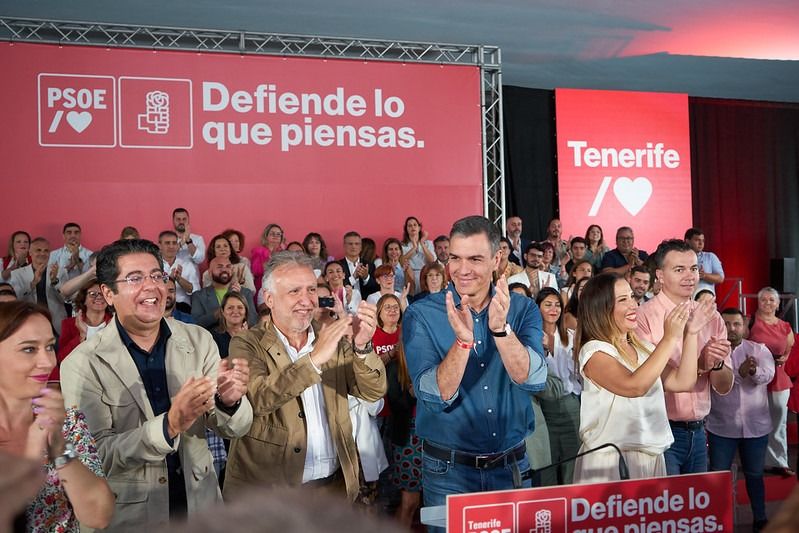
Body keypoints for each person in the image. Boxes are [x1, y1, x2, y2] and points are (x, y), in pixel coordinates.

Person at [60, 238, 253, 529]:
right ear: (108, 293)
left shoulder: (199, 340)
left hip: (201, 510)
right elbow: (94, 455)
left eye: (157, 276)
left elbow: (235, 427)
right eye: (135, 278)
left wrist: (230, 401)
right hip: (129, 516)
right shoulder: (82, 363)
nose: (151, 287)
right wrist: (168, 426)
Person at [403, 215, 547, 531]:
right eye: (455, 258)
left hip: (512, 467)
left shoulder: (522, 310)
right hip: (448, 474)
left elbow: (534, 378)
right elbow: (434, 394)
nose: (462, 269)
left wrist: (500, 331)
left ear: (497, 259)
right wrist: (463, 343)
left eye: (475, 259)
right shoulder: (421, 314)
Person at [222, 251, 387, 502]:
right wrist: (313, 360)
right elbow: (258, 399)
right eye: (294, 291)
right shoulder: (246, 343)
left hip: (334, 492)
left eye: (311, 289)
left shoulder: (333, 337)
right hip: (271, 499)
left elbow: (372, 391)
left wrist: (363, 347)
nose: (307, 300)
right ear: (269, 299)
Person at [574, 273, 715, 483]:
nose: (633, 305)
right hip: (611, 461)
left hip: (651, 457)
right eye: (623, 300)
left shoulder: (644, 349)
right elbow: (634, 387)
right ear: (600, 308)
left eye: (632, 296)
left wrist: (691, 333)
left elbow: (682, 382)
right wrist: (669, 338)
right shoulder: (595, 351)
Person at [0, 301, 114, 532]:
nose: (47, 362)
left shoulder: (66, 421)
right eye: (29, 349)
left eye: (50, 347)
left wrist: (60, 448)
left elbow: (99, 516)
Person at [636, 239, 733, 475]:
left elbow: (723, 386)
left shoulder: (711, 316)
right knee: (665, 508)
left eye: (694, 268)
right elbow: (654, 381)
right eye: (679, 269)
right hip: (660, 432)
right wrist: (700, 365)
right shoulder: (643, 317)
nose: (690, 276)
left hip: (699, 432)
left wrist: (717, 362)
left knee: (697, 509)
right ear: (659, 275)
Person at [706, 308, 775, 532]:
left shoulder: (758, 349)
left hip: (755, 428)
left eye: (736, 324)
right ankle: (717, 519)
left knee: (755, 475)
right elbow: (716, 384)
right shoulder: (711, 352)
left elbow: (768, 375)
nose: (731, 329)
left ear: (744, 326)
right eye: (726, 324)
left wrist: (753, 371)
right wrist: (739, 373)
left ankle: (760, 518)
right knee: (719, 476)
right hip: (721, 427)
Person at [748, 286, 796, 478]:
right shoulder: (750, 322)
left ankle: (779, 462)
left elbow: (789, 347)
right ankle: (756, 461)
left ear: (777, 304)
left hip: (779, 379)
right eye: (764, 300)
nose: (768, 303)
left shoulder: (785, 326)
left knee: (778, 422)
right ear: (758, 302)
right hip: (754, 379)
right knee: (754, 422)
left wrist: (784, 357)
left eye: (771, 300)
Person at [535, 287, 581, 485]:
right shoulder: (531, 337)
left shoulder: (571, 336)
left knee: (573, 463)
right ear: (537, 308)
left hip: (570, 405)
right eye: (548, 305)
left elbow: (577, 374)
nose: (553, 309)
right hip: (544, 407)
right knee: (547, 463)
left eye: (557, 305)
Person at [384, 322, 422, 528]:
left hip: (432, 437)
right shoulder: (395, 367)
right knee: (410, 501)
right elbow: (396, 405)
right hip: (408, 439)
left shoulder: (430, 362)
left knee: (430, 503)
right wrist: (411, 394)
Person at [52, 278, 113, 382]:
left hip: (108, 379)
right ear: (83, 299)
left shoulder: (115, 324)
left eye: (103, 294)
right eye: (93, 293)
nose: (99, 297)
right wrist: (81, 335)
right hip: (78, 379)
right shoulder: (69, 324)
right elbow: (62, 359)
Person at [7, 237, 67, 335]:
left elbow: (64, 299)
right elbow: (16, 300)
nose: (42, 254)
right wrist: (33, 283)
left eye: (46, 251)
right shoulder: (17, 274)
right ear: (30, 252)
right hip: (28, 323)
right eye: (38, 250)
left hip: (56, 324)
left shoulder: (60, 272)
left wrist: (54, 281)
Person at [191, 256, 258, 330]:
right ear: (210, 273)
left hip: (240, 337)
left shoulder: (245, 293)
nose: (224, 269)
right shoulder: (198, 296)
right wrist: (220, 312)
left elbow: (253, 321)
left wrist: (239, 299)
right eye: (220, 267)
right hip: (211, 339)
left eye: (228, 266)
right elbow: (196, 323)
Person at [159, 230, 200, 313]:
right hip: (160, 306)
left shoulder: (187, 265)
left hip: (182, 308)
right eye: (167, 243)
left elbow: (195, 291)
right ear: (159, 246)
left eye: (174, 243)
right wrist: (169, 279)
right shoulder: (154, 264)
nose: (171, 246)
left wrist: (179, 279)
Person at [400, 216, 436, 294]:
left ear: (419, 228)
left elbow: (431, 260)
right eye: (409, 225)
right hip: (410, 275)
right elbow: (401, 261)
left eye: (415, 225)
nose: (412, 227)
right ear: (406, 229)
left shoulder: (428, 243)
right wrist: (414, 247)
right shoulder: (402, 245)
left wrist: (422, 244)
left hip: (425, 274)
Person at [338, 231, 378, 299]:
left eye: (357, 244)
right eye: (350, 244)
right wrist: (353, 277)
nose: (353, 246)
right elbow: (337, 287)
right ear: (344, 246)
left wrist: (366, 278)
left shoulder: (370, 265)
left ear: (361, 247)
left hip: (365, 304)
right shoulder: (338, 266)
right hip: (344, 303)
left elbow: (376, 288)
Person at [685, 228, 725, 295]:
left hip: (705, 301)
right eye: (697, 240)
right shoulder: (680, 257)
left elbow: (720, 278)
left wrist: (704, 276)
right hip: (684, 301)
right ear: (687, 241)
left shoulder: (710, 257)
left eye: (703, 241)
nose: (701, 243)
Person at [211, 291, 250, 358]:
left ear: (245, 313)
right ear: (223, 312)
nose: (235, 311)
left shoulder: (255, 336)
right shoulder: (213, 337)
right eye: (230, 308)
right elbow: (217, 364)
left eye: (240, 307)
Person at [251, 223, 285, 295]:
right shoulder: (258, 251)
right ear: (266, 236)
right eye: (272, 234)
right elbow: (256, 271)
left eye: (278, 234)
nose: (275, 236)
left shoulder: (284, 253)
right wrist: (268, 254)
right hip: (263, 287)